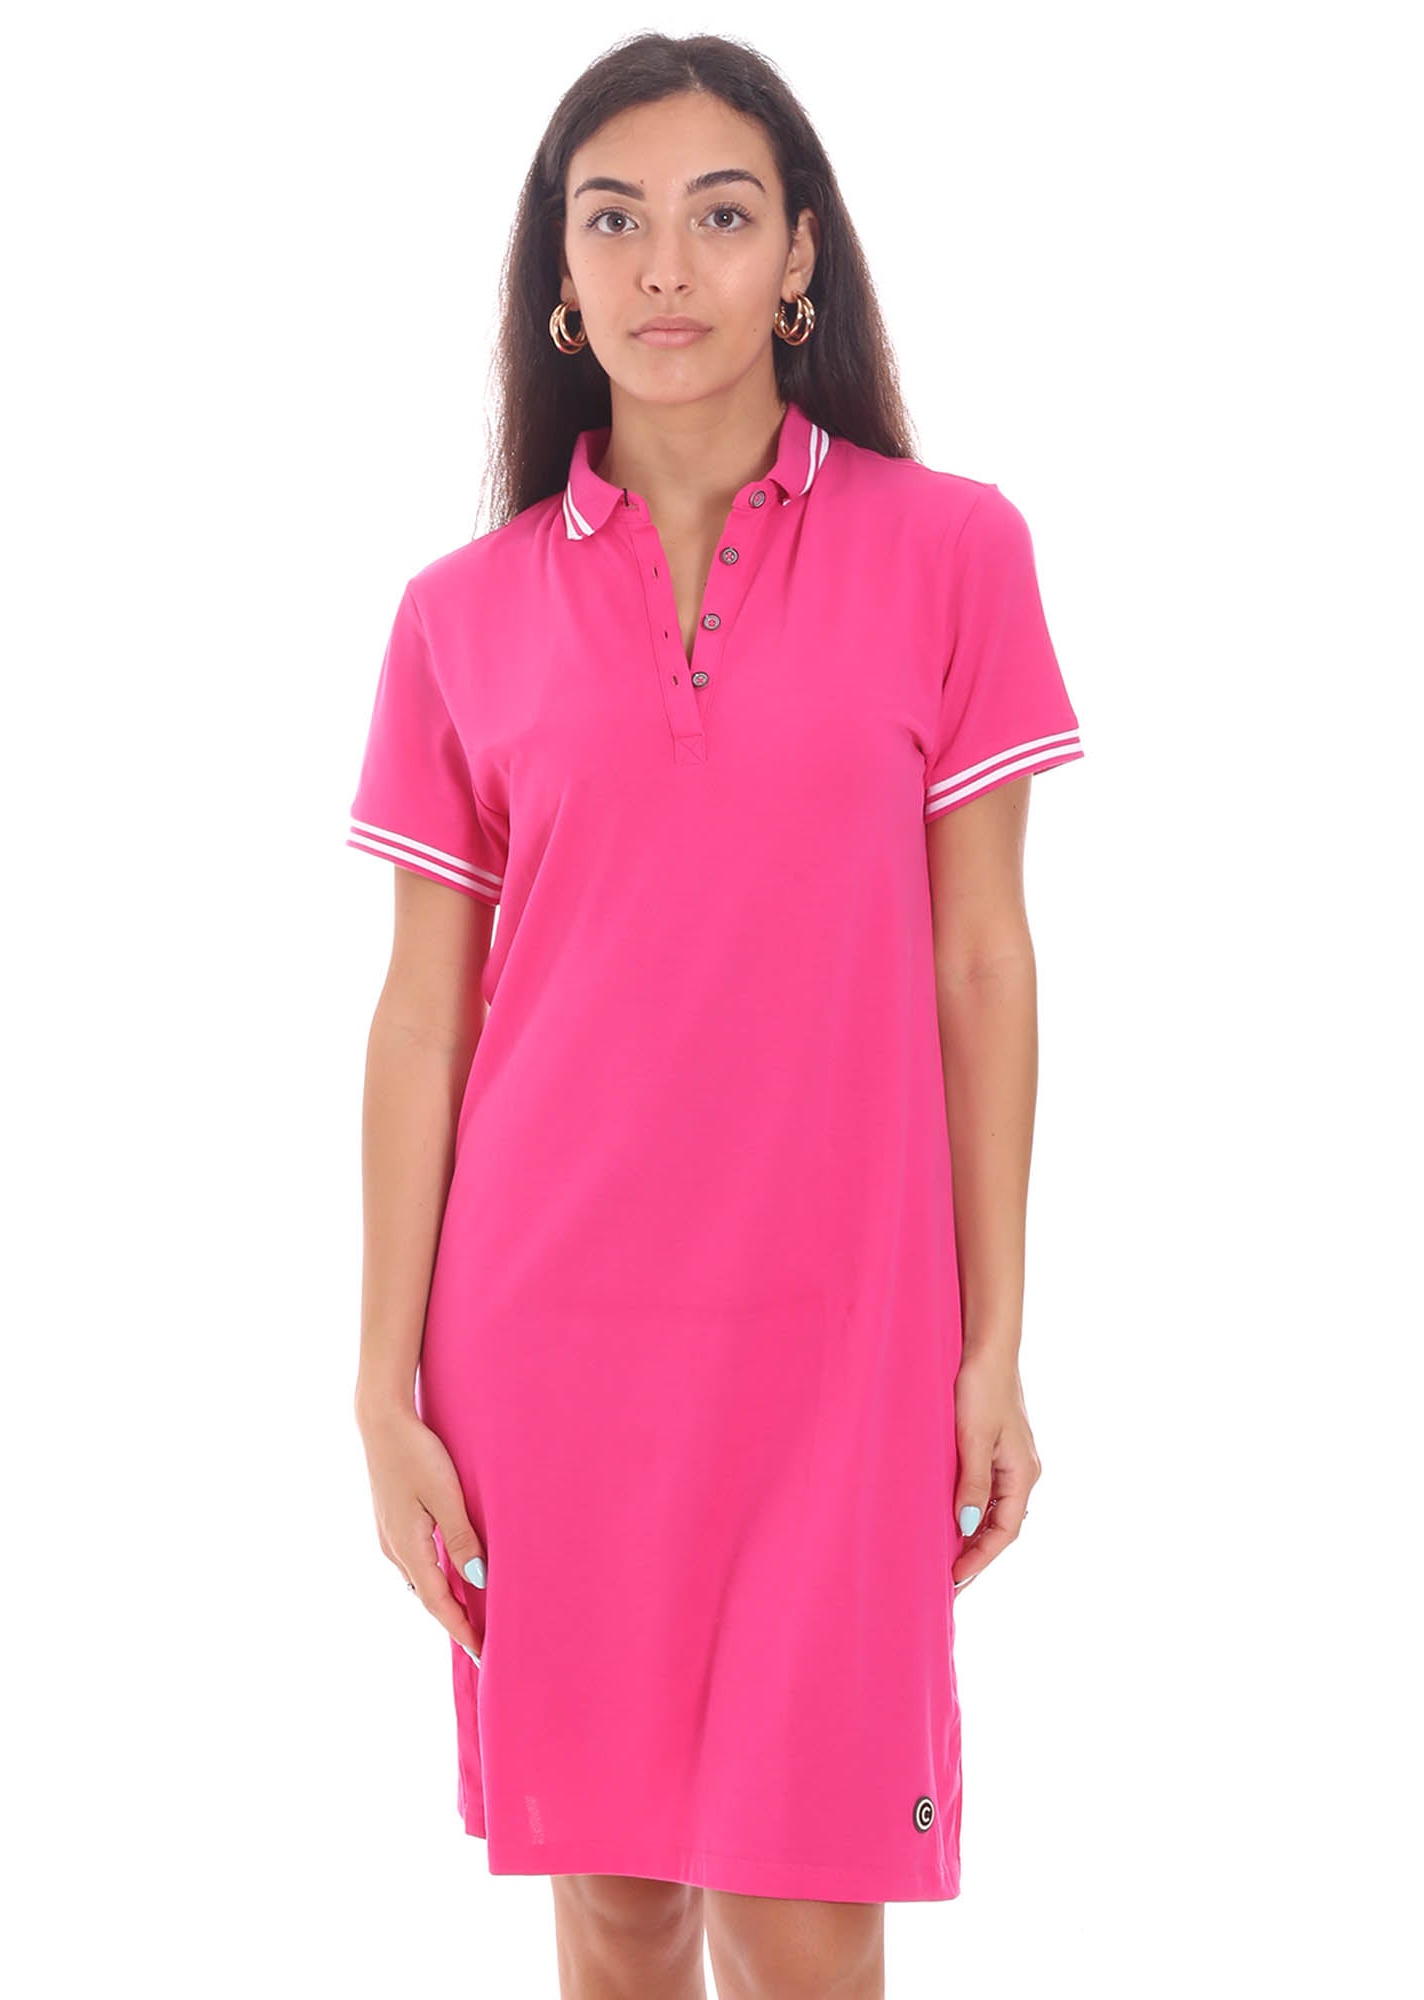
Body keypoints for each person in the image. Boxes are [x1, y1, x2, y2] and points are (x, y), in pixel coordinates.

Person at [347, 32, 1083, 2000]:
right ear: (560, 281)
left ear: (799, 257)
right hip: (546, 1342)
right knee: (613, 1906)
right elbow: (421, 1021)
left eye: (721, 215)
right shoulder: (457, 615)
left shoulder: (954, 552)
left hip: (847, 1340)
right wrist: (380, 1384)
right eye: (614, 222)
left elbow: (985, 962)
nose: (666, 265)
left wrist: (994, 1342)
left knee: (804, 1916)